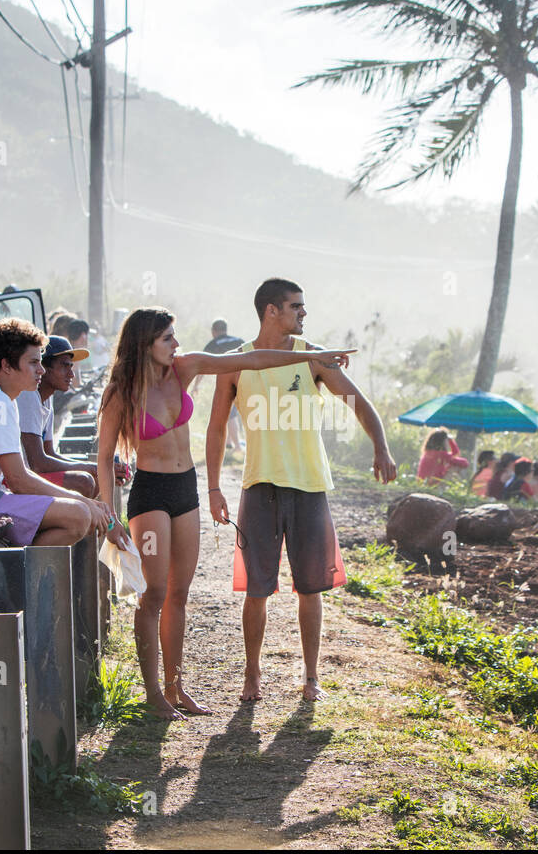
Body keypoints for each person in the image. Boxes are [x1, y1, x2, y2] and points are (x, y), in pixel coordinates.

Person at [96, 306, 355, 720]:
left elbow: (251, 360)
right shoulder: (120, 393)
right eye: (167, 338)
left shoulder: (184, 369)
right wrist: (110, 517)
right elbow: (105, 458)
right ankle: (152, 694)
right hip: (150, 493)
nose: (177, 344)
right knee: (154, 595)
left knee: (179, 595)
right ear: (144, 344)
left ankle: (175, 687)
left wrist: (310, 357)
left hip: (186, 489)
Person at [207, 278, 397, 704]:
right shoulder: (236, 363)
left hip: (310, 487)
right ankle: (252, 674)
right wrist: (215, 486)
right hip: (260, 488)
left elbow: (359, 403)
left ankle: (311, 677)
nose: (303, 314)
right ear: (271, 310)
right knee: (257, 590)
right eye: (296, 307)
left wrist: (380, 446)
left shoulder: (314, 359)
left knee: (310, 589)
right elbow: (217, 426)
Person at [0, 317, 114, 548]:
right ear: (6, 365)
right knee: (78, 514)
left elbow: (20, 477)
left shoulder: (0, 398)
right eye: (33, 362)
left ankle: (16, 567)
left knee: (80, 512)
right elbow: (19, 480)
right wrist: (82, 500)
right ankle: (18, 575)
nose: (40, 370)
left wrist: (82, 502)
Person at [17, 334, 123, 497]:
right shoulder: (28, 396)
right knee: (84, 481)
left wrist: (95, 468)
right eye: (65, 366)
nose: (71, 374)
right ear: (44, 368)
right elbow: (38, 464)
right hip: (17, 481)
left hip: (33, 474)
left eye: (71, 367)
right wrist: (93, 468)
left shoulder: (46, 398)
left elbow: (50, 453)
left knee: (93, 477)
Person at [193, 318, 246, 450]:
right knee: (232, 411)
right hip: (245, 379)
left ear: (213, 331)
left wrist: (195, 386)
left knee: (230, 413)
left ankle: (238, 446)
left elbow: (202, 367)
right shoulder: (238, 341)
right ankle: (229, 442)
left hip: (229, 382)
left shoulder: (213, 344)